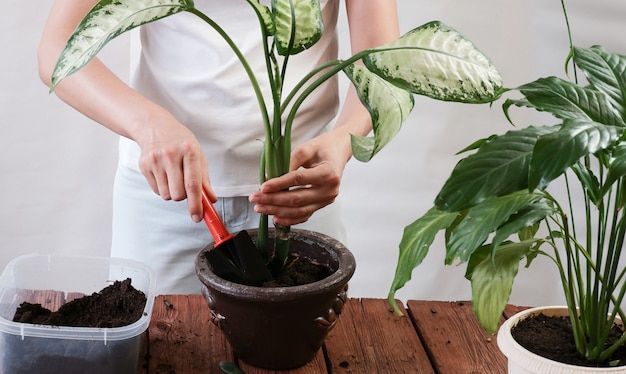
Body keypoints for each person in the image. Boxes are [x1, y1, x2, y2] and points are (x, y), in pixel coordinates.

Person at [37, 0, 400, 294]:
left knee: (310, 370)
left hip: (299, 195)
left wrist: (345, 139)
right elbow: (58, 48)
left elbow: (384, 57)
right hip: (168, 197)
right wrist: (147, 124)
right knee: (152, 360)